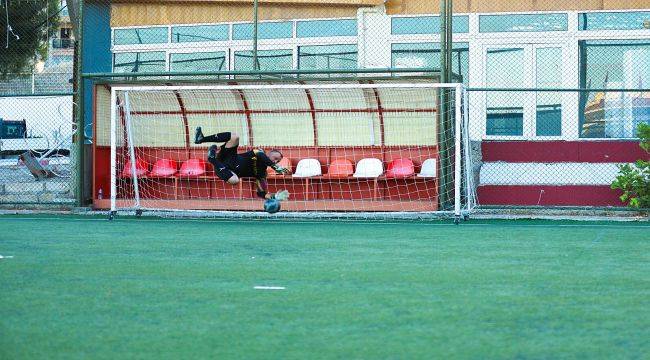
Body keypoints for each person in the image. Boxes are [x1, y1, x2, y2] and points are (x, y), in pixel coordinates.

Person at [194, 127, 290, 201]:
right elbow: (261, 155)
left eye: (278, 161)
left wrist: (275, 197)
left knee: (235, 180)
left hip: (225, 171)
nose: (275, 161)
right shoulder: (259, 152)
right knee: (234, 137)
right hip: (228, 157)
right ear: (269, 154)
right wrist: (275, 166)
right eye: (275, 158)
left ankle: (212, 159)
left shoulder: (262, 173)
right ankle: (201, 139)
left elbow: (261, 193)